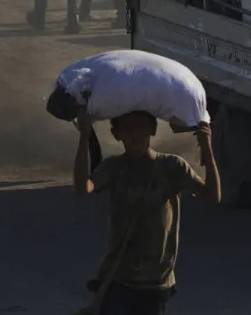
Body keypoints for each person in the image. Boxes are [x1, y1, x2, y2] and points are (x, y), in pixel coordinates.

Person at [72, 106, 219, 315]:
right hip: (118, 277)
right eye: (128, 128)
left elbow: (212, 196)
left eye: (141, 127)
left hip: (156, 282)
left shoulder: (172, 167)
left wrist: (207, 146)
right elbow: (83, 188)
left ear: (153, 129)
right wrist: (84, 138)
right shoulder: (114, 167)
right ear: (116, 134)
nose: (135, 134)